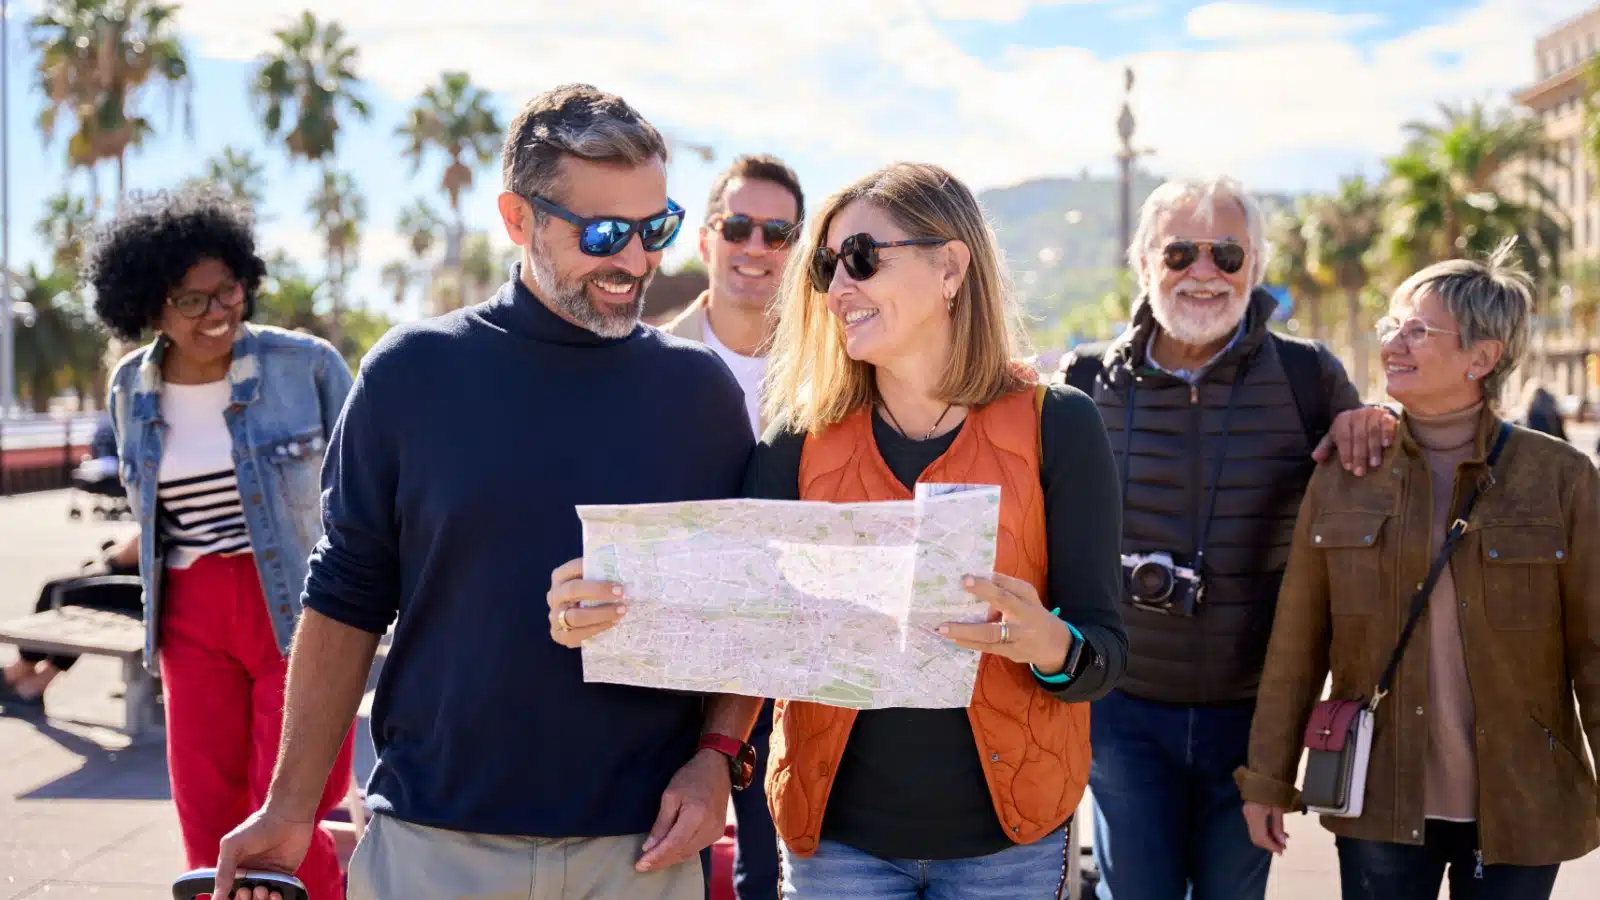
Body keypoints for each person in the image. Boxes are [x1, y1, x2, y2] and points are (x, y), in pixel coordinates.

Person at [212, 83, 762, 900]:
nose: (638, 261)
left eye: (658, 228)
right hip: (434, 843)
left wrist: (717, 755)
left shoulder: (702, 395)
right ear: (518, 219)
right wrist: (291, 805)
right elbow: (346, 595)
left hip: (640, 851)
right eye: (605, 233)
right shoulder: (410, 374)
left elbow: (747, 599)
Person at [754, 161, 1129, 898]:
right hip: (837, 850)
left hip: (1008, 849)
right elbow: (737, 630)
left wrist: (1045, 641)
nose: (838, 290)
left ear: (951, 267)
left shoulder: (1060, 425)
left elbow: (1104, 652)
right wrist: (627, 605)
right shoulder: (795, 440)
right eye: (827, 267)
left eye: (861, 258)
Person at [1054, 175, 1397, 900]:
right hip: (1121, 706)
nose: (1204, 273)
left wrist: (1371, 421)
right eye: (1180, 252)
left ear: (1258, 267)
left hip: (1253, 715)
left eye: (1228, 254)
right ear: (1144, 262)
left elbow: (1371, 486)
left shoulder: (1309, 376)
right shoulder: (1082, 381)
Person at [1237, 242, 1600, 899]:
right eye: (1390, 326)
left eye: (1418, 330)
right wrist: (1268, 779)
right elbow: (1296, 642)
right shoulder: (1346, 474)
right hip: (1379, 799)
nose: (1393, 343)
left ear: (1482, 357)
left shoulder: (1561, 478)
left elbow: (1595, 650)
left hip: (1521, 800)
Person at [85, 185, 357, 900]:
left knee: (296, 817)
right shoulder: (129, 387)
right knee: (206, 825)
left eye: (227, 288)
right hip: (190, 615)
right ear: (149, 308)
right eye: (191, 299)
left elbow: (368, 484)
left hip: (298, 614)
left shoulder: (307, 367)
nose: (218, 312)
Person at [663, 152, 805, 900]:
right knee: (659, 849)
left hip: (793, 642)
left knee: (774, 865)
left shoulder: (833, 369)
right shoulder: (648, 363)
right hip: (675, 642)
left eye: (777, 233)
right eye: (740, 227)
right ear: (706, 240)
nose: (756, 247)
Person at [0, 536, 140, 708]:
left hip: (147, 593)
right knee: (85, 594)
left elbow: (137, 547)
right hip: (163, 591)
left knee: (59, 590)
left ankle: (22, 672)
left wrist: (110, 556)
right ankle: (35, 679)